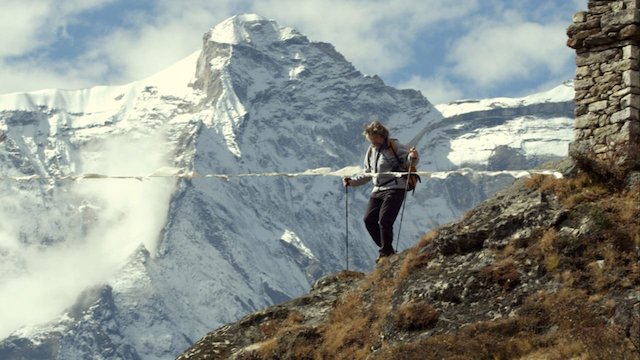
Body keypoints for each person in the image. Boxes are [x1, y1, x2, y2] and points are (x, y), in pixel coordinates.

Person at [342, 120, 419, 263]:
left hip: (395, 188)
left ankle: (386, 253)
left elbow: (409, 162)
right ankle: (387, 249)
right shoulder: (371, 151)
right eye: (370, 138)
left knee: (385, 220)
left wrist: (413, 157)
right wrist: (351, 182)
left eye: (374, 137)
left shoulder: (393, 146)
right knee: (369, 220)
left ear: (381, 135)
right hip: (378, 189)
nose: (372, 141)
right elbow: (368, 173)